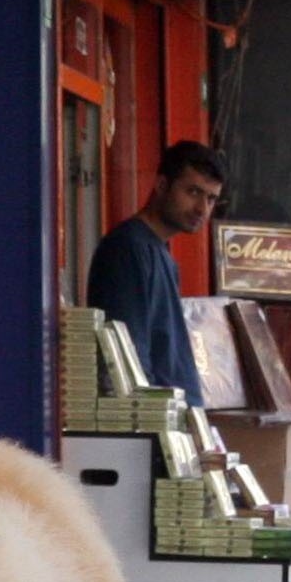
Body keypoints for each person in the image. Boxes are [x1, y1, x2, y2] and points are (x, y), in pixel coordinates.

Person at [84, 141, 224, 405]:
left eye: (211, 198)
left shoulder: (160, 254)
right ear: (161, 185)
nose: (202, 208)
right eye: (193, 192)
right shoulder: (128, 249)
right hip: (149, 422)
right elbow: (129, 359)